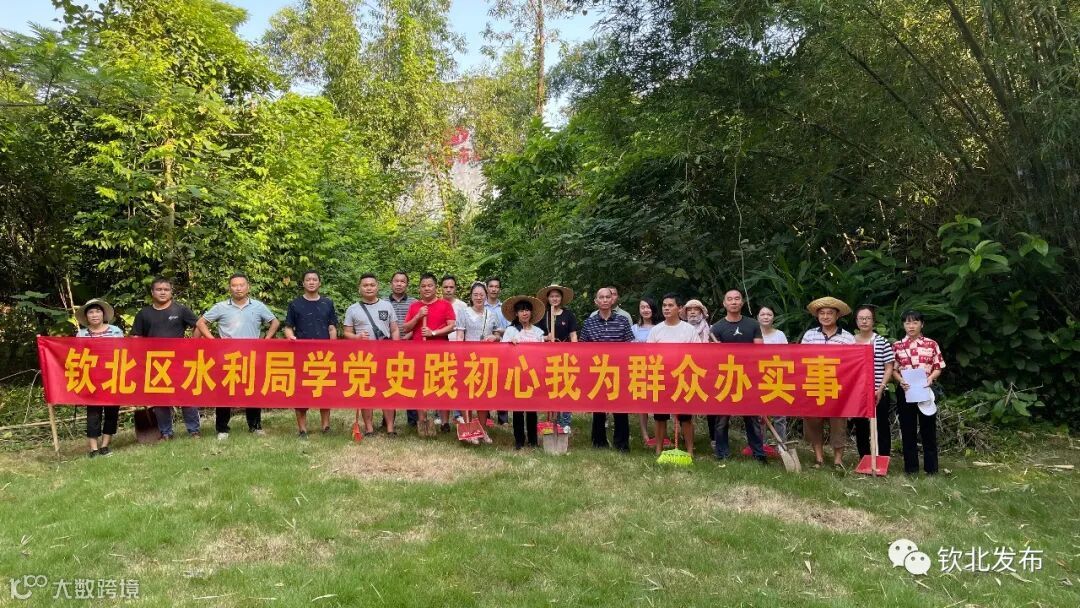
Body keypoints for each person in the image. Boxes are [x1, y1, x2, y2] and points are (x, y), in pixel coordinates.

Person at [196, 273, 280, 439]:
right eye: (234, 285)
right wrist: (213, 341)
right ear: (230, 288)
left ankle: (255, 426)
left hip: (251, 356)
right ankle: (222, 429)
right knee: (224, 392)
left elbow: (275, 322)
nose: (238, 288)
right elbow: (200, 323)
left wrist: (266, 340)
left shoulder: (258, 306)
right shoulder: (221, 307)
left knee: (252, 391)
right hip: (227, 357)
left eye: (241, 285)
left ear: (248, 287)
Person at [131, 277, 201, 439]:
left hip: (179, 361)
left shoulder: (181, 310)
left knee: (186, 395)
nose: (162, 292)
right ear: (152, 292)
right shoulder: (143, 313)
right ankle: (166, 433)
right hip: (155, 363)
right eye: (159, 289)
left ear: (171, 292)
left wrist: (192, 343)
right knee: (160, 399)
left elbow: (199, 325)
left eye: (166, 289)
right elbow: (136, 337)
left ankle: (194, 430)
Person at [708, 291, 767, 463]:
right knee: (722, 418)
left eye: (737, 299)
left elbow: (760, 351)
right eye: (730, 299)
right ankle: (722, 453)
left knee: (752, 417)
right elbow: (711, 357)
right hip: (725, 377)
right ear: (724, 304)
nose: (733, 302)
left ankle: (758, 453)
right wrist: (718, 351)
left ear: (742, 302)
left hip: (748, 377)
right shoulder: (716, 328)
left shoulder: (753, 324)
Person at [799, 296, 855, 469]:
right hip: (813, 384)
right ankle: (819, 458)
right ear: (817, 316)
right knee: (813, 421)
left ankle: (838, 460)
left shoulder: (847, 337)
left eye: (829, 313)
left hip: (838, 386)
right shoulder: (809, 335)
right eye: (822, 313)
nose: (825, 316)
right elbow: (800, 359)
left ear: (837, 315)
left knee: (838, 423)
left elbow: (853, 363)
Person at [343, 273, 401, 436]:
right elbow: (346, 332)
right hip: (363, 357)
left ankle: (390, 428)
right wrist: (357, 337)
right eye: (365, 285)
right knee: (366, 391)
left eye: (372, 285)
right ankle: (369, 428)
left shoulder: (387, 306)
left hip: (385, 355)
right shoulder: (352, 309)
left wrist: (396, 348)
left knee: (387, 390)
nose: (369, 288)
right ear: (359, 288)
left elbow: (394, 329)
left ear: (378, 287)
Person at [283, 270, 338, 438]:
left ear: (319, 283)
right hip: (302, 354)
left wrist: (333, 347)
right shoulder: (295, 304)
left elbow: (332, 327)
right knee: (301, 390)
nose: (311, 282)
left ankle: (326, 426)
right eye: (308, 280)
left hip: (324, 354)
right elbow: (288, 327)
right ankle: (302, 429)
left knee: (324, 389)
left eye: (315, 279)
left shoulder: (327, 303)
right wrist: (290, 337)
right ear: (303, 283)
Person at [579, 287, 635, 452]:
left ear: (613, 300)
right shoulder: (589, 322)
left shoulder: (623, 321)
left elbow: (630, 346)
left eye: (607, 297)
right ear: (596, 301)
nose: (604, 300)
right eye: (601, 297)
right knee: (598, 408)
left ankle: (621, 444)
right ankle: (599, 442)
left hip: (619, 371)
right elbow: (582, 348)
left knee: (620, 408)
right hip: (597, 370)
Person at [647, 293, 700, 456]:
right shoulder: (656, 330)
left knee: (685, 417)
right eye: (664, 305)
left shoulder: (689, 330)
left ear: (680, 308)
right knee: (660, 417)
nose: (666, 308)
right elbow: (649, 355)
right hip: (661, 378)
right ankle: (659, 449)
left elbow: (698, 353)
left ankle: (690, 451)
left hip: (684, 378)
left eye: (670, 305)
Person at [403, 273, 457, 433]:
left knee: (443, 385)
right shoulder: (414, 306)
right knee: (421, 386)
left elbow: (452, 325)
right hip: (419, 353)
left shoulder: (445, 305)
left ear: (435, 288)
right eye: (423, 286)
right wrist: (418, 316)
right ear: (419, 289)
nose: (427, 288)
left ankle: (445, 422)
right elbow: (406, 328)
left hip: (441, 352)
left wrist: (433, 333)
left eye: (430, 285)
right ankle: (423, 420)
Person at [892, 310, 944, 475]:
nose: (911, 326)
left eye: (915, 322)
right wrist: (900, 381)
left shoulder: (931, 344)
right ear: (903, 325)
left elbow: (938, 366)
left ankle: (931, 469)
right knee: (907, 429)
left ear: (922, 324)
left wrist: (931, 378)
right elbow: (893, 369)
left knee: (928, 429)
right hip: (906, 390)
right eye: (907, 322)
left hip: (925, 389)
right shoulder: (897, 346)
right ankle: (911, 468)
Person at [75, 299, 123, 457]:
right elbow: (77, 356)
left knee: (111, 412)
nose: (94, 315)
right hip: (91, 379)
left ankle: (105, 445)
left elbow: (123, 352)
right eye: (91, 312)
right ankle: (94, 448)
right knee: (93, 413)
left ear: (103, 314)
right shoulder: (81, 334)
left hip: (112, 377)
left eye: (97, 311)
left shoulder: (115, 331)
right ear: (86, 316)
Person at [500, 295, 547, 449]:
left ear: (531, 312)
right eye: (521, 311)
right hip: (517, 374)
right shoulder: (510, 330)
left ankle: (533, 440)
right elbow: (502, 352)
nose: (525, 313)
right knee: (518, 409)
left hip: (533, 374)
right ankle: (519, 440)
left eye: (527, 310)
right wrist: (509, 343)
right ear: (516, 314)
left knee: (532, 408)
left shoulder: (538, 332)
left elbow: (543, 354)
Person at [456, 282, 500, 436]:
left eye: (481, 295)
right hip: (468, 358)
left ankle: (482, 429)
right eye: (475, 295)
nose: (479, 297)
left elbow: (498, 334)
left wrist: (494, 337)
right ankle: (468, 428)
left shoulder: (492, 314)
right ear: (471, 296)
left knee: (483, 395)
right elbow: (460, 336)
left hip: (486, 359)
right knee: (467, 394)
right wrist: (459, 356)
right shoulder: (464, 313)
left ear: (486, 296)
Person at [852, 305, 895, 460]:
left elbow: (889, 367)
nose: (864, 321)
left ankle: (883, 459)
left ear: (873, 321)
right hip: (857, 392)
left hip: (878, 391)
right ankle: (864, 458)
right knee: (861, 427)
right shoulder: (850, 342)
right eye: (861, 318)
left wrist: (881, 387)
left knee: (881, 426)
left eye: (868, 318)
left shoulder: (882, 342)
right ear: (856, 321)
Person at [536, 285, 578, 432]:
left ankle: (565, 422)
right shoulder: (543, 315)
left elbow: (573, 335)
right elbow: (536, 335)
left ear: (561, 298)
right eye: (552, 296)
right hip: (547, 356)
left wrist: (575, 351)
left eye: (557, 296)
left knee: (565, 386)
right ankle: (551, 420)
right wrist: (546, 338)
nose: (554, 299)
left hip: (565, 356)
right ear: (548, 298)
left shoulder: (568, 315)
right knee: (550, 387)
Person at [388, 271, 418, 427]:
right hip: (389, 347)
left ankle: (413, 420)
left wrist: (408, 336)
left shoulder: (415, 303)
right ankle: (387, 420)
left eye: (402, 281)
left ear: (407, 284)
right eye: (396, 281)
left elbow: (419, 324)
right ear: (391, 283)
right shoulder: (383, 303)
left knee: (410, 382)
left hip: (410, 346)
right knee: (388, 382)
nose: (399, 284)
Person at [756, 305, 788, 444]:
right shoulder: (753, 334)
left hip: (777, 377)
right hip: (758, 378)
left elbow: (786, 356)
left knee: (779, 415)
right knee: (760, 415)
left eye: (769, 314)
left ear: (773, 317)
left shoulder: (779, 335)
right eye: (762, 314)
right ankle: (760, 445)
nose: (766, 317)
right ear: (758, 317)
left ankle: (781, 444)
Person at [632, 298, 660, 446]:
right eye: (642, 307)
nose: (645, 310)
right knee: (642, 403)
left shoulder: (661, 327)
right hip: (640, 368)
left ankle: (660, 434)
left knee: (658, 402)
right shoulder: (634, 329)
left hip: (658, 368)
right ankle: (645, 435)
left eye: (648, 307)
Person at [485, 276, 511, 425]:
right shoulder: (481, 305)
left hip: (501, 349)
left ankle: (503, 417)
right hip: (485, 350)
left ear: (499, 289)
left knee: (502, 382)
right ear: (487, 288)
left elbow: (510, 329)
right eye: (491, 286)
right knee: (486, 381)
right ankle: (486, 417)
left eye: (496, 287)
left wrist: (499, 331)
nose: (494, 289)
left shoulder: (505, 308)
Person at [441, 275, 469, 341]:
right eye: (445, 287)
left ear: (455, 288)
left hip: (459, 343)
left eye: (451, 287)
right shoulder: (436, 305)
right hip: (439, 343)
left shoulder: (463, 306)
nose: (448, 290)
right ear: (441, 288)